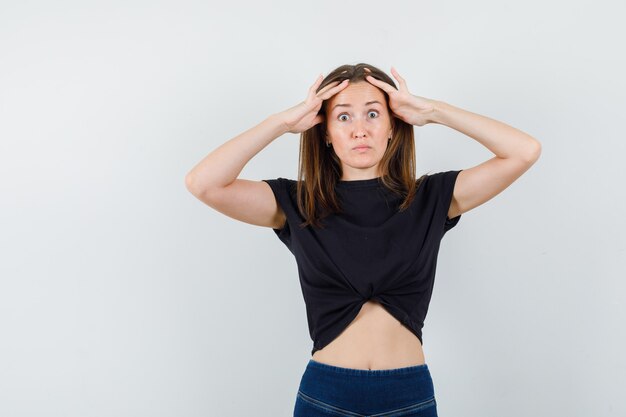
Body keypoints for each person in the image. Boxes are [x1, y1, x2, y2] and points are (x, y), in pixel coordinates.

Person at [185, 63, 541, 417]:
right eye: (343, 117)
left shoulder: (431, 198)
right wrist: (283, 123)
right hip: (326, 395)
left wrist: (432, 111)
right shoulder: (299, 202)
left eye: (373, 114)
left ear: (392, 126)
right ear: (324, 130)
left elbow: (524, 150)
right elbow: (203, 183)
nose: (360, 130)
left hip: (408, 395)